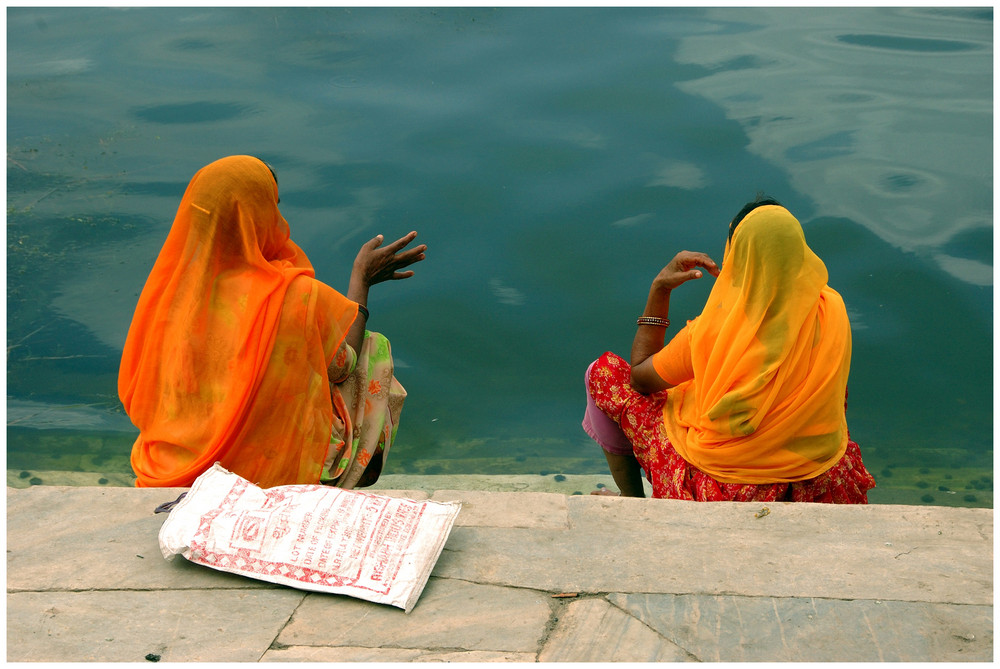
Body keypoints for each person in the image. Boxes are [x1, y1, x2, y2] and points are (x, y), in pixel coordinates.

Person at [119, 155, 426, 489]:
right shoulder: (295, 296)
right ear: (255, 216)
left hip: (173, 471)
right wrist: (360, 282)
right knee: (371, 350)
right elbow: (343, 366)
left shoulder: (172, 296)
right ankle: (338, 478)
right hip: (264, 473)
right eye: (272, 206)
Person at [582, 198, 876, 502]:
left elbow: (640, 377)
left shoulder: (712, 332)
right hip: (816, 475)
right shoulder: (832, 308)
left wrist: (660, 289)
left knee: (601, 373)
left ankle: (630, 500)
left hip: (725, 486)